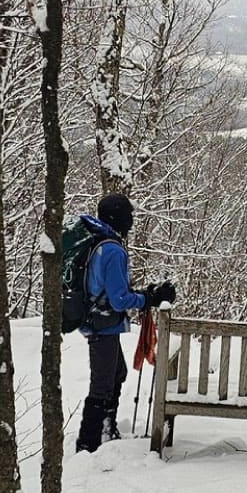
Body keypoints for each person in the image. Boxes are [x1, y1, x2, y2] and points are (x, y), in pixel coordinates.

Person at [74, 194, 175, 454]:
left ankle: (107, 429)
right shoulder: (113, 250)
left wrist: (145, 295)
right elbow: (119, 300)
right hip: (103, 324)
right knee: (103, 383)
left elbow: (113, 291)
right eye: (128, 216)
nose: (131, 221)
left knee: (117, 373)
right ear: (118, 218)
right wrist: (148, 298)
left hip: (97, 320)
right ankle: (89, 443)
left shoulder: (99, 243)